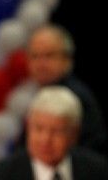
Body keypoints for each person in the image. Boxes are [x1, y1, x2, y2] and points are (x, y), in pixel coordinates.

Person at [0, 86, 108, 180]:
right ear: (28, 127)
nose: (45, 140)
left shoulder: (99, 171)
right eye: (38, 128)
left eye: (56, 131)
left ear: (74, 133)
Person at [26, 24, 107, 154]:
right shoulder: (35, 93)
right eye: (35, 56)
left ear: (66, 59)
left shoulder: (75, 97)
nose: (40, 64)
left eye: (49, 55)